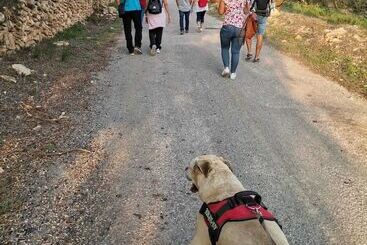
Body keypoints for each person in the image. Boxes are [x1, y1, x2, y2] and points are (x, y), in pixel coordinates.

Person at [218, 0, 247, 80]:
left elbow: (220, 12)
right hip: (240, 29)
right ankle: (233, 73)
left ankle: (226, 68)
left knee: (225, 48)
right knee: (236, 52)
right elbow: (247, 12)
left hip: (227, 27)